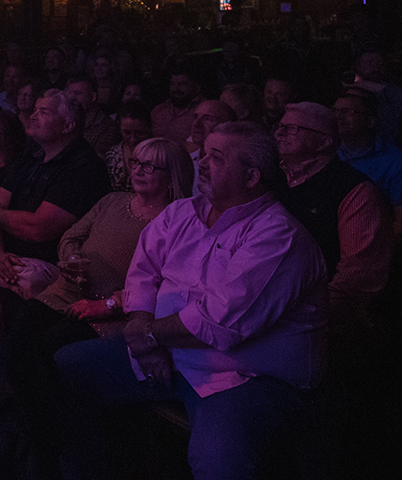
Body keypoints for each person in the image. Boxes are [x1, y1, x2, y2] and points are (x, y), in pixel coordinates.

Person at [56, 123, 328, 480]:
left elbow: (221, 320)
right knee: (68, 365)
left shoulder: (278, 236)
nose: (201, 163)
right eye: (204, 153)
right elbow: (144, 272)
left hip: (244, 374)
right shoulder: (182, 212)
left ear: (251, 177)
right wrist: (140, 327)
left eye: (216, 158)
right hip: (172, 352)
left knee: (217, 461)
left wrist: (149, 335)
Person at [36, 137, 193, 328]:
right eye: (135, 162)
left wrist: (112, 304)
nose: (137, 170)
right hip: (63, 293)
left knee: (53, 341)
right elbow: (71, 237)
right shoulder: (112, 200)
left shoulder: (176, 224)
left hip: (108, 315)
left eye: (149, 166)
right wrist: (72, 259)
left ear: (171, 177)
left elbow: (161, 285)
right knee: (20, 326)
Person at [274, 102, 394, 326]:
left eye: (292, 129)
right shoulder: (272, 177)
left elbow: (358, 275)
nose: (279, 132)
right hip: (267, 303)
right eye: (280, 126)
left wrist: (307, 318)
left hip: (312, 318)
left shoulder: (354, 191)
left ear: (324, 142)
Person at [0, 89, 110, 299]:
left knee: (19, 278)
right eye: (35, 110)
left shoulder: (85, 167)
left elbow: (38, 228)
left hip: (51, 262)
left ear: (67, 125)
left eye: (44, 112)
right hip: (9, 252)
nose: (33, 116)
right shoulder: (30, 155)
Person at [333, 91, 402, 247]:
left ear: (370, 120)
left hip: (368, 248)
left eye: (349, 112)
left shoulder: (398, 162)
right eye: (334, 111)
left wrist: (362, 247)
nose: (338, 116)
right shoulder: (322, 152)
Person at [151, 66, 204, 144]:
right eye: (172, 83)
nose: (175, 88)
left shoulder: (203, 111)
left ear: (196, 87)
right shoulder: (159, 110)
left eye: (181, 84)